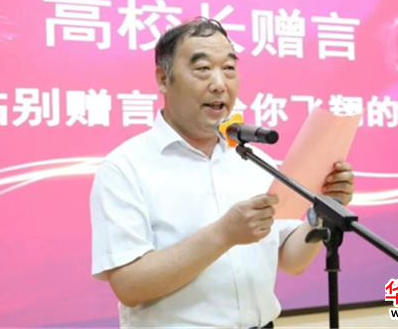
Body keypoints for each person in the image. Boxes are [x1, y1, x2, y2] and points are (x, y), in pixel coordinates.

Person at [89, 17, 355, 328]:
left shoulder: (253, 160)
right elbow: (130, 286)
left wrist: (323, 209)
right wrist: (224, 234)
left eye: (229, 68)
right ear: (163, 79)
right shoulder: (125, 168)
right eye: (203, 68)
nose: (219, 84)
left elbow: (291, 259)